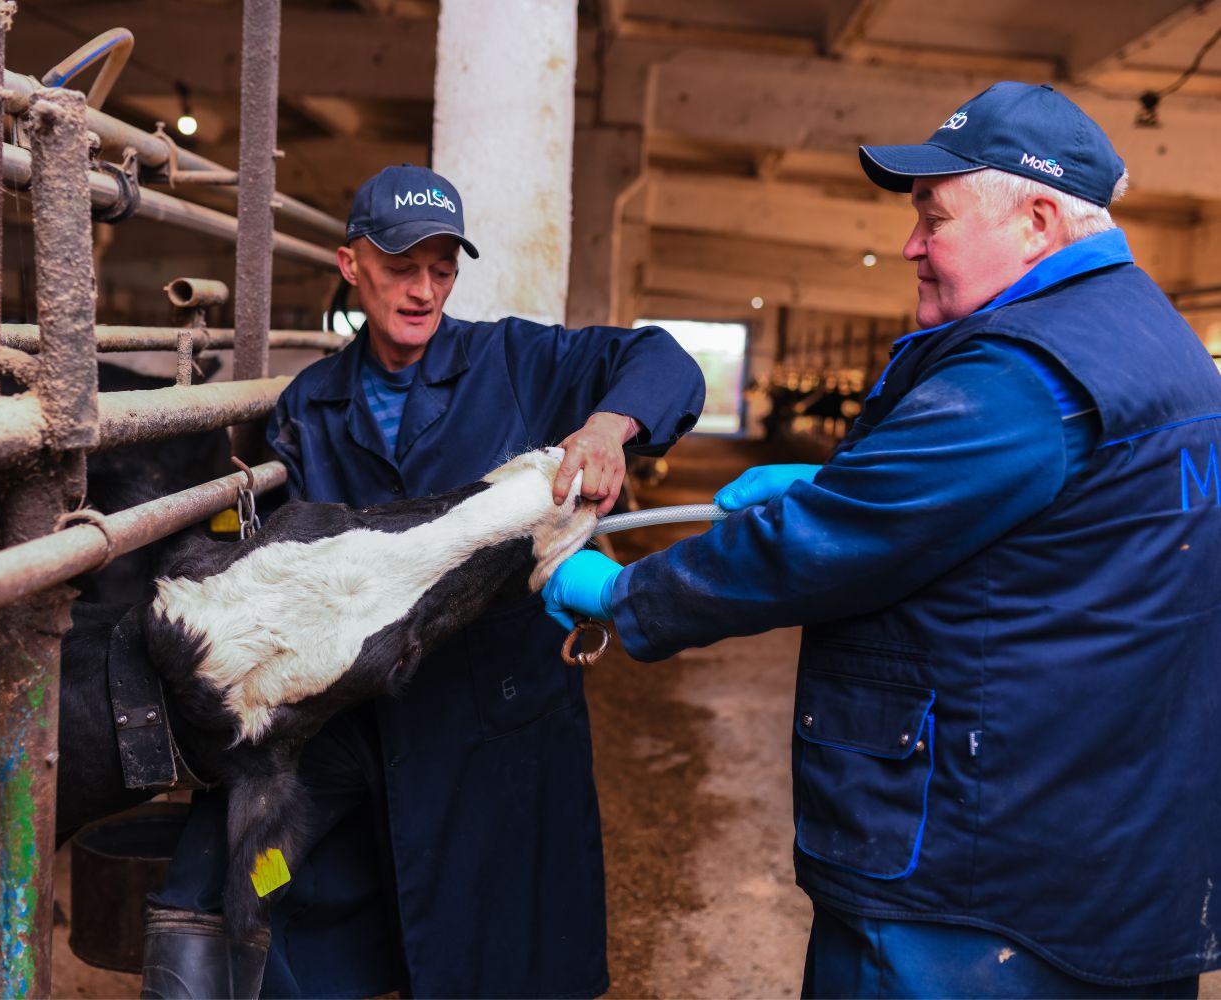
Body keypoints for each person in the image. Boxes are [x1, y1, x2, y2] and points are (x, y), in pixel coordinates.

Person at [544, 82, 1221, 998]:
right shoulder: (1156, 344)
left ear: (1036, 222)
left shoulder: (1026, 374)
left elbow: (825, 542)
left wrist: (624, 594)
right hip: (1110, 851)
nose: (910, 245)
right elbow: (1037, 528)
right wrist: (853, 480)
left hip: (976, 882)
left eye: (933, 220)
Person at [143, 163, 705, 998]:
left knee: (500, 950)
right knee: (253, 890)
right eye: (402, 266)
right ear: (351, 265)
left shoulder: (515, 358)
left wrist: (605, 427)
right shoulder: (310, 404)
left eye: (442, 269)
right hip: (357, 714)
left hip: (496, 713)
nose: (423, 290)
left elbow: (663, 359)